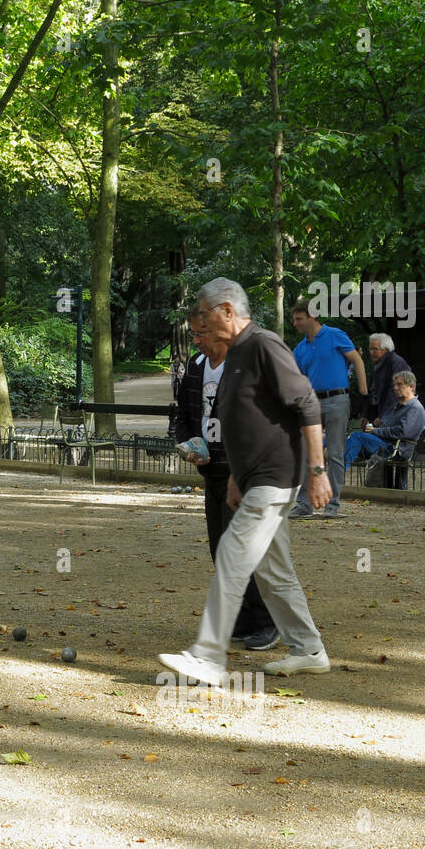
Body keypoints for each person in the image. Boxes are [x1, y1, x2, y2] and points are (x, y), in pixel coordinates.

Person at [158, 277, 331, 686]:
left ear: (227, 310)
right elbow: (245, 422)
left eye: (204, 313)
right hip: (253, 478)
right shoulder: (236, 354)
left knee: (232, 557)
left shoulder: (264, 345)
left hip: (274, 478)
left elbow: (307, 404)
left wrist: (319, 472)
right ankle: (309, 650)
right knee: (274, 571)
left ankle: (207, 657)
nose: (199, 322)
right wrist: (236, 474)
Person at [174, 311, 278, 651]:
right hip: (211, 471)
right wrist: (189, 441)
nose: (196, 338)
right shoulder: (195, 365)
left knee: (244, 551)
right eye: (194, 333)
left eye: (201, 333)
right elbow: (183, 412)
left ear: (220, 332)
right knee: (220, 549)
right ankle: (245, 617)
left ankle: (269, 621)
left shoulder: (243, 365)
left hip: (242, 474)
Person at [289, 300, 368, 519]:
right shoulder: (300, 348)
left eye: (299, 319)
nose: (295, 323)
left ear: (311, 317)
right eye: (294, 319)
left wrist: (363, 392)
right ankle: (304, 505)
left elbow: (357, 360)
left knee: (334, 453)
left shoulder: (335, 335)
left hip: (337, 400)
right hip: (311, 403)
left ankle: (332, 505)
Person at [343, 371, 425, 483]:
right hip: (385, 444)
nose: (395, 388)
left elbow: (402, 432)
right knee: (343, 441)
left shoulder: (415, 408)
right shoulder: (397, 406)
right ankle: (335, 468)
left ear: (411, 387)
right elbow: (386, 424)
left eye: (399, 384)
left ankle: (338, 474)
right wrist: (378, 424)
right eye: (394, 385)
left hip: (396, 449)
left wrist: (375, 431)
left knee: (356, 437)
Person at [365, 333, 410, 423]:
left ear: (386, 349)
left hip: (392, 416)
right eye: (370, 349)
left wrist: (383, 416)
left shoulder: (397, 363)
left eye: (375, 349)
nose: (371, 352)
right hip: (379, 414)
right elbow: (371, 392)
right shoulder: (376, 365)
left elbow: (395, 393)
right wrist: (365, 415)